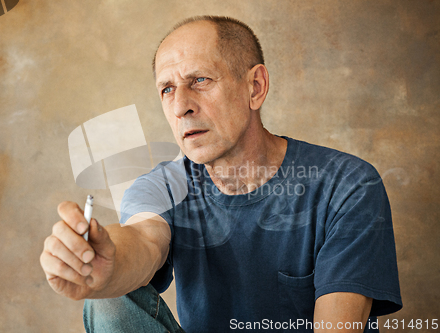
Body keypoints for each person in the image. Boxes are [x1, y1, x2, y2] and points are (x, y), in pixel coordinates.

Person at [40, 16, 402, 332]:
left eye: (199, 80)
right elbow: (144, 240)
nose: (181, 106)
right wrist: (106, 264)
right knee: (108, 298)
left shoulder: (348, 184)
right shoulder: (163, 186)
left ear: (255, 87)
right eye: (167, 89)